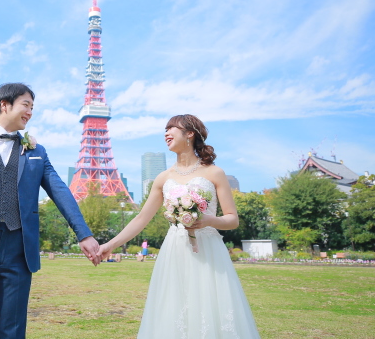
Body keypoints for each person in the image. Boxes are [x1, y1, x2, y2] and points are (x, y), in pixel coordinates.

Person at [0, 83, 101, 339]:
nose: (30, 112)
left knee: (13, 331)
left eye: (32, 107)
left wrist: (84, 233)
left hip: (18, 250)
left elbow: (60, 191)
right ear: (5, 105)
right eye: (26, 105)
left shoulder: (37, 151)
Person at [98, 114, 261, 338]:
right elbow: (141, 219)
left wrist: (208, 221)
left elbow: (232, 219)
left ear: (190, 133)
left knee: (210, 306)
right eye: (165, 129)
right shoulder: (163, 178)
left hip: (209, 251)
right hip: (175, 250)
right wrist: (111, 244)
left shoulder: (214, 172)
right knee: (173, 309)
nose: (166, 133)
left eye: (171, 128)